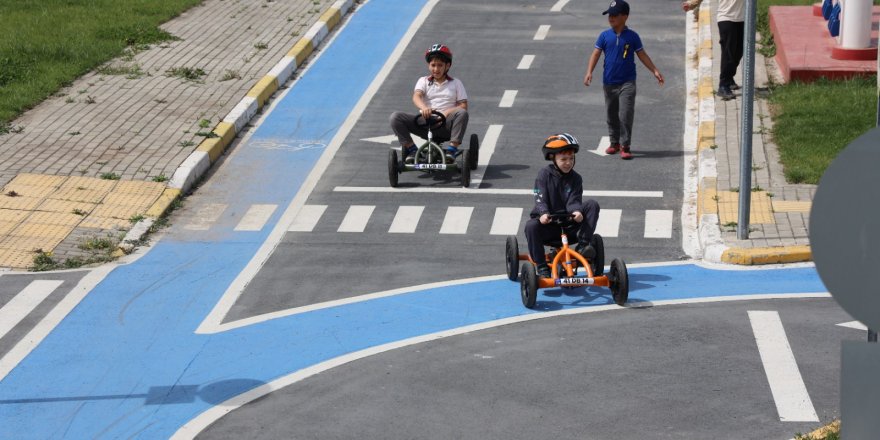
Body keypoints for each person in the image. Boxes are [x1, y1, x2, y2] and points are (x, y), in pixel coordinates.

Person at [583, 0, 664, 160]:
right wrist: (589, 72)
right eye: (609, 15)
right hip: (609, 82)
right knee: (611, 113)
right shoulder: (604, 36)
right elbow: (596, 54)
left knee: (626, 113)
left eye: (615, 15)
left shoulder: (632, 37)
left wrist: (654, 70)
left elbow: (642, 55)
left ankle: (625, 145)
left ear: (625, 17)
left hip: (627, 82)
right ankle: (614, 143)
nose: (611, 18)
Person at [524, 133, 601, 278]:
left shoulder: (576, 178)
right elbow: (540, 197)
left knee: (592, 204)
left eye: (571, 158)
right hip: (549, 225)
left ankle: (583, 246)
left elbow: (574, 199)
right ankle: (541, 267)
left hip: (569, 226)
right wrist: (543, 213)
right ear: (553, 159)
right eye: (563, 159)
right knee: (531, 226)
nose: (568, 163)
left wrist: (577, 211)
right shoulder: (544, 175)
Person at [389, 43, 469, 164]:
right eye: (433, 65)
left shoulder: (456, 83)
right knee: (395, 117)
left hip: (446, 124)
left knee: (462, 113)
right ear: (429, 65)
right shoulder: (423, 81)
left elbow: (463, 105)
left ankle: (452, 150)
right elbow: (416, 96)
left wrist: (446, 112)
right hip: (425, 123)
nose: (436, 69)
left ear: (447, 66)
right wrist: (424, 108)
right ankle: (412, 150)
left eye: (440, 65)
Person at [682, 0, 744, 100]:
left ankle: (729, 78)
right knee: (729, 54)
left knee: (739, 52)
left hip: (742, 19)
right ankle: (723, 86)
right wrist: (691, 3)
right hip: (726, 18)